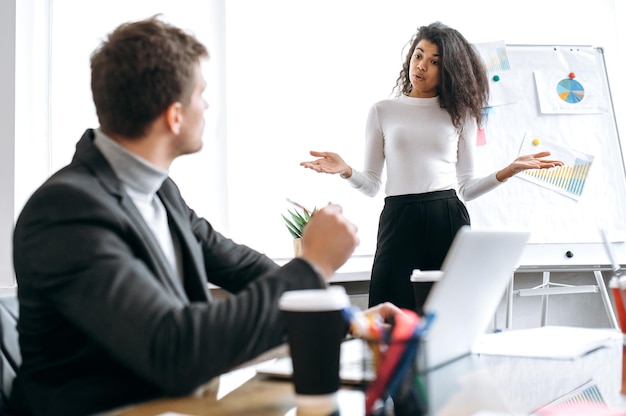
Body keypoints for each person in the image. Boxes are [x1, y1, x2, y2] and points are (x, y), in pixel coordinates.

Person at [9, 16, 402, 416]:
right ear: (174, 115)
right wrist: (313, 263)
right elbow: (172, 349)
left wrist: (347, 320)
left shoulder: (159, 191)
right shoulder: (65, 212)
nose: (208, 104)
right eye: (201, 93)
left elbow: (245, 267)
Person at [300, 22, 563, 312]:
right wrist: (346, 170)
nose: (421, 66)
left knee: (448, 312)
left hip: (446, 217)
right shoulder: (382, 110)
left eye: (434, 61)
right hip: (398, 219)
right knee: (389, 310)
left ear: (448, 71)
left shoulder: (460, 114)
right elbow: (373, 184)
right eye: (418, 55)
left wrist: (509, 170)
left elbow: (467, 188)